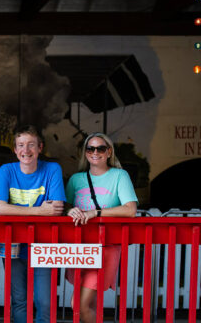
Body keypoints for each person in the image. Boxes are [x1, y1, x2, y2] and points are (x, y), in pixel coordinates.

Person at [0, 125, 66, 323]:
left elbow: (57, 208)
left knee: (44, 301)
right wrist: (40, 210)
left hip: (44, 243)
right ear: (15, 150)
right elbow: (0, 208)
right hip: (13, 241)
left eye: (31, 145)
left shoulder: (52, 169)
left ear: (40, 147)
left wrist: (17, 211)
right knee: (19, 300)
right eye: (21, 145)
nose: (26, 150)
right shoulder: (6, 170)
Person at [65, 132, 137, 323]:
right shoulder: (76, 179)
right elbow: (66, 206)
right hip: (79, 249)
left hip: (105, 247)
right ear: (85, 153)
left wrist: (96, 213)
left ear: (108, 152)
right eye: (90, 148)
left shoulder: (119, 176)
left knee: (79, 305)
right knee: (87, 306)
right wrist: (70, 210)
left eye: (100, 148)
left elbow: (130, 209)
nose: (95, 152)